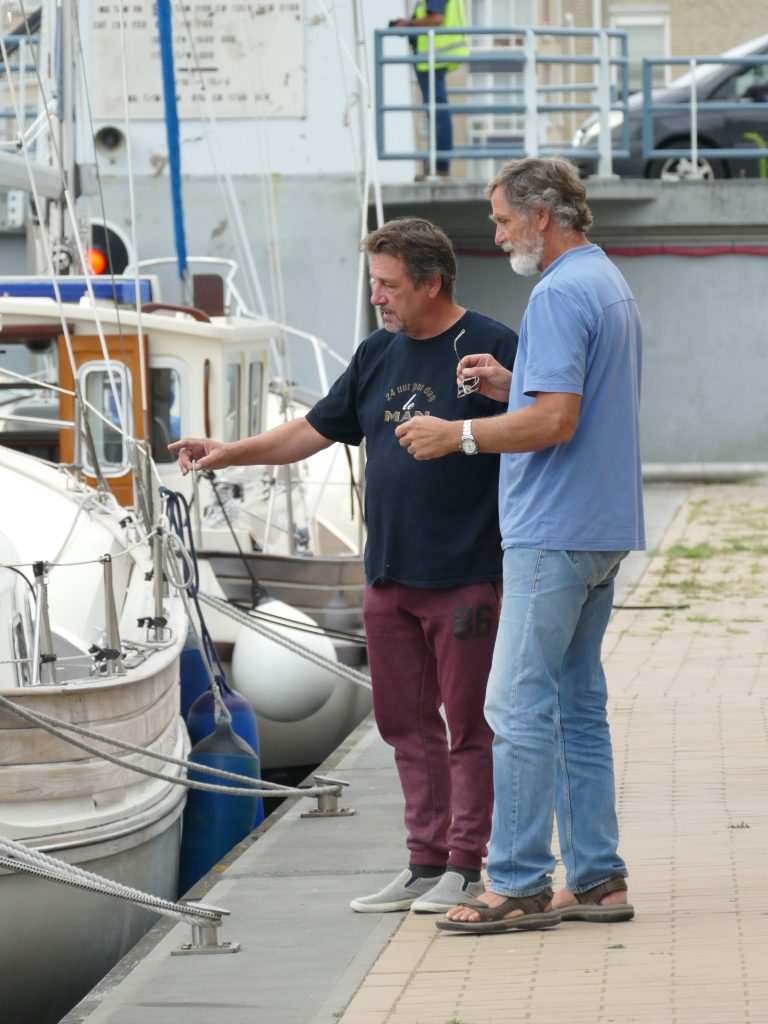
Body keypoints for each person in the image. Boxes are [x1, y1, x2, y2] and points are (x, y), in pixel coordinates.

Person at [169, 217, 518, 915]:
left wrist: (505, 397)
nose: (377, 297)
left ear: (431, 282)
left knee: (468, 727)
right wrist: (229, 452)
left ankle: (465, 866)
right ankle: (424, 864)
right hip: (388, 577)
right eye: (373, 283)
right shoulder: (376, 353)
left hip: (465, 574)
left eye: (389, 285)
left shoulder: (491, 344)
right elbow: (313, 429)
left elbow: (539, 423)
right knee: (403, 726)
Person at [395, 157, 644, 933]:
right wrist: (516, 381)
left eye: (503, 220)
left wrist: (458, 433)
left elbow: (556, 421)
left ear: (541, 216)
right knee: (576, 705)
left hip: (552, 530)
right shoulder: (606, 280)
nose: (497, 235)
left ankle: (517, 881)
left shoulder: (559, 293)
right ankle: (597, 879)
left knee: (516, 705)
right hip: (601, 525)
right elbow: (570, 399)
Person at [390, 0, 468, 178]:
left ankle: (439, 166)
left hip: (434, 56)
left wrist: (409, 24)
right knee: (436, 110)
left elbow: (436, 18)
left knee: (437, 110)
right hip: (435, 55)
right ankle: (437, 165)